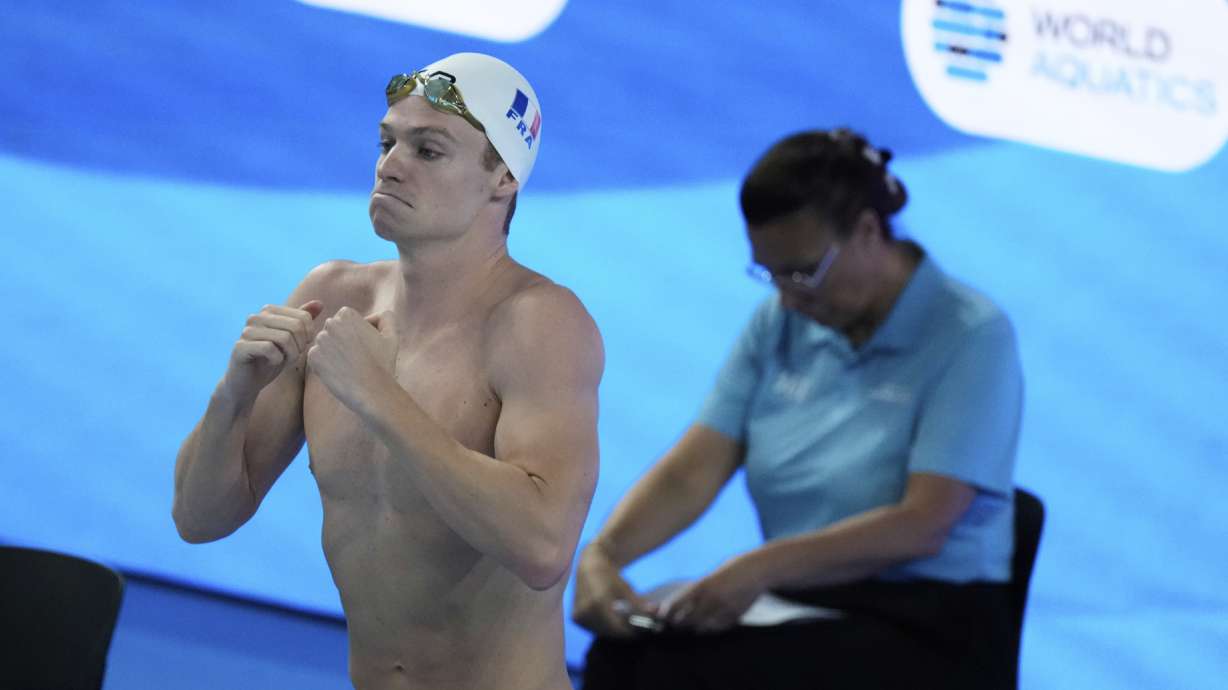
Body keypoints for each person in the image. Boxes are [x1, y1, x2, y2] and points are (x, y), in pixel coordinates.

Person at [172, 53, 603, 690]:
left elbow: (542, 548)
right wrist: (232, 396)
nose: (389, 165)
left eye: (428, 151)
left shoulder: (539, 324)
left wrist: (381, 396)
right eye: (387, 141)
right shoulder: (330, 297)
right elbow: (199, 520)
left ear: (502, 178)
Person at [572, 128, 1024, 690]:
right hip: (799, 605)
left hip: (929, 623)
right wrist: (603, 557)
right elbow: (693, 470)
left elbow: (925, 523)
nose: (787, 296)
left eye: (803, 271)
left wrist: (761, 567)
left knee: (694, 674)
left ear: (865, 231)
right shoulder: (781, 323)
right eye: (771, 273)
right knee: (624, 657)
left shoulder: (970, 333)